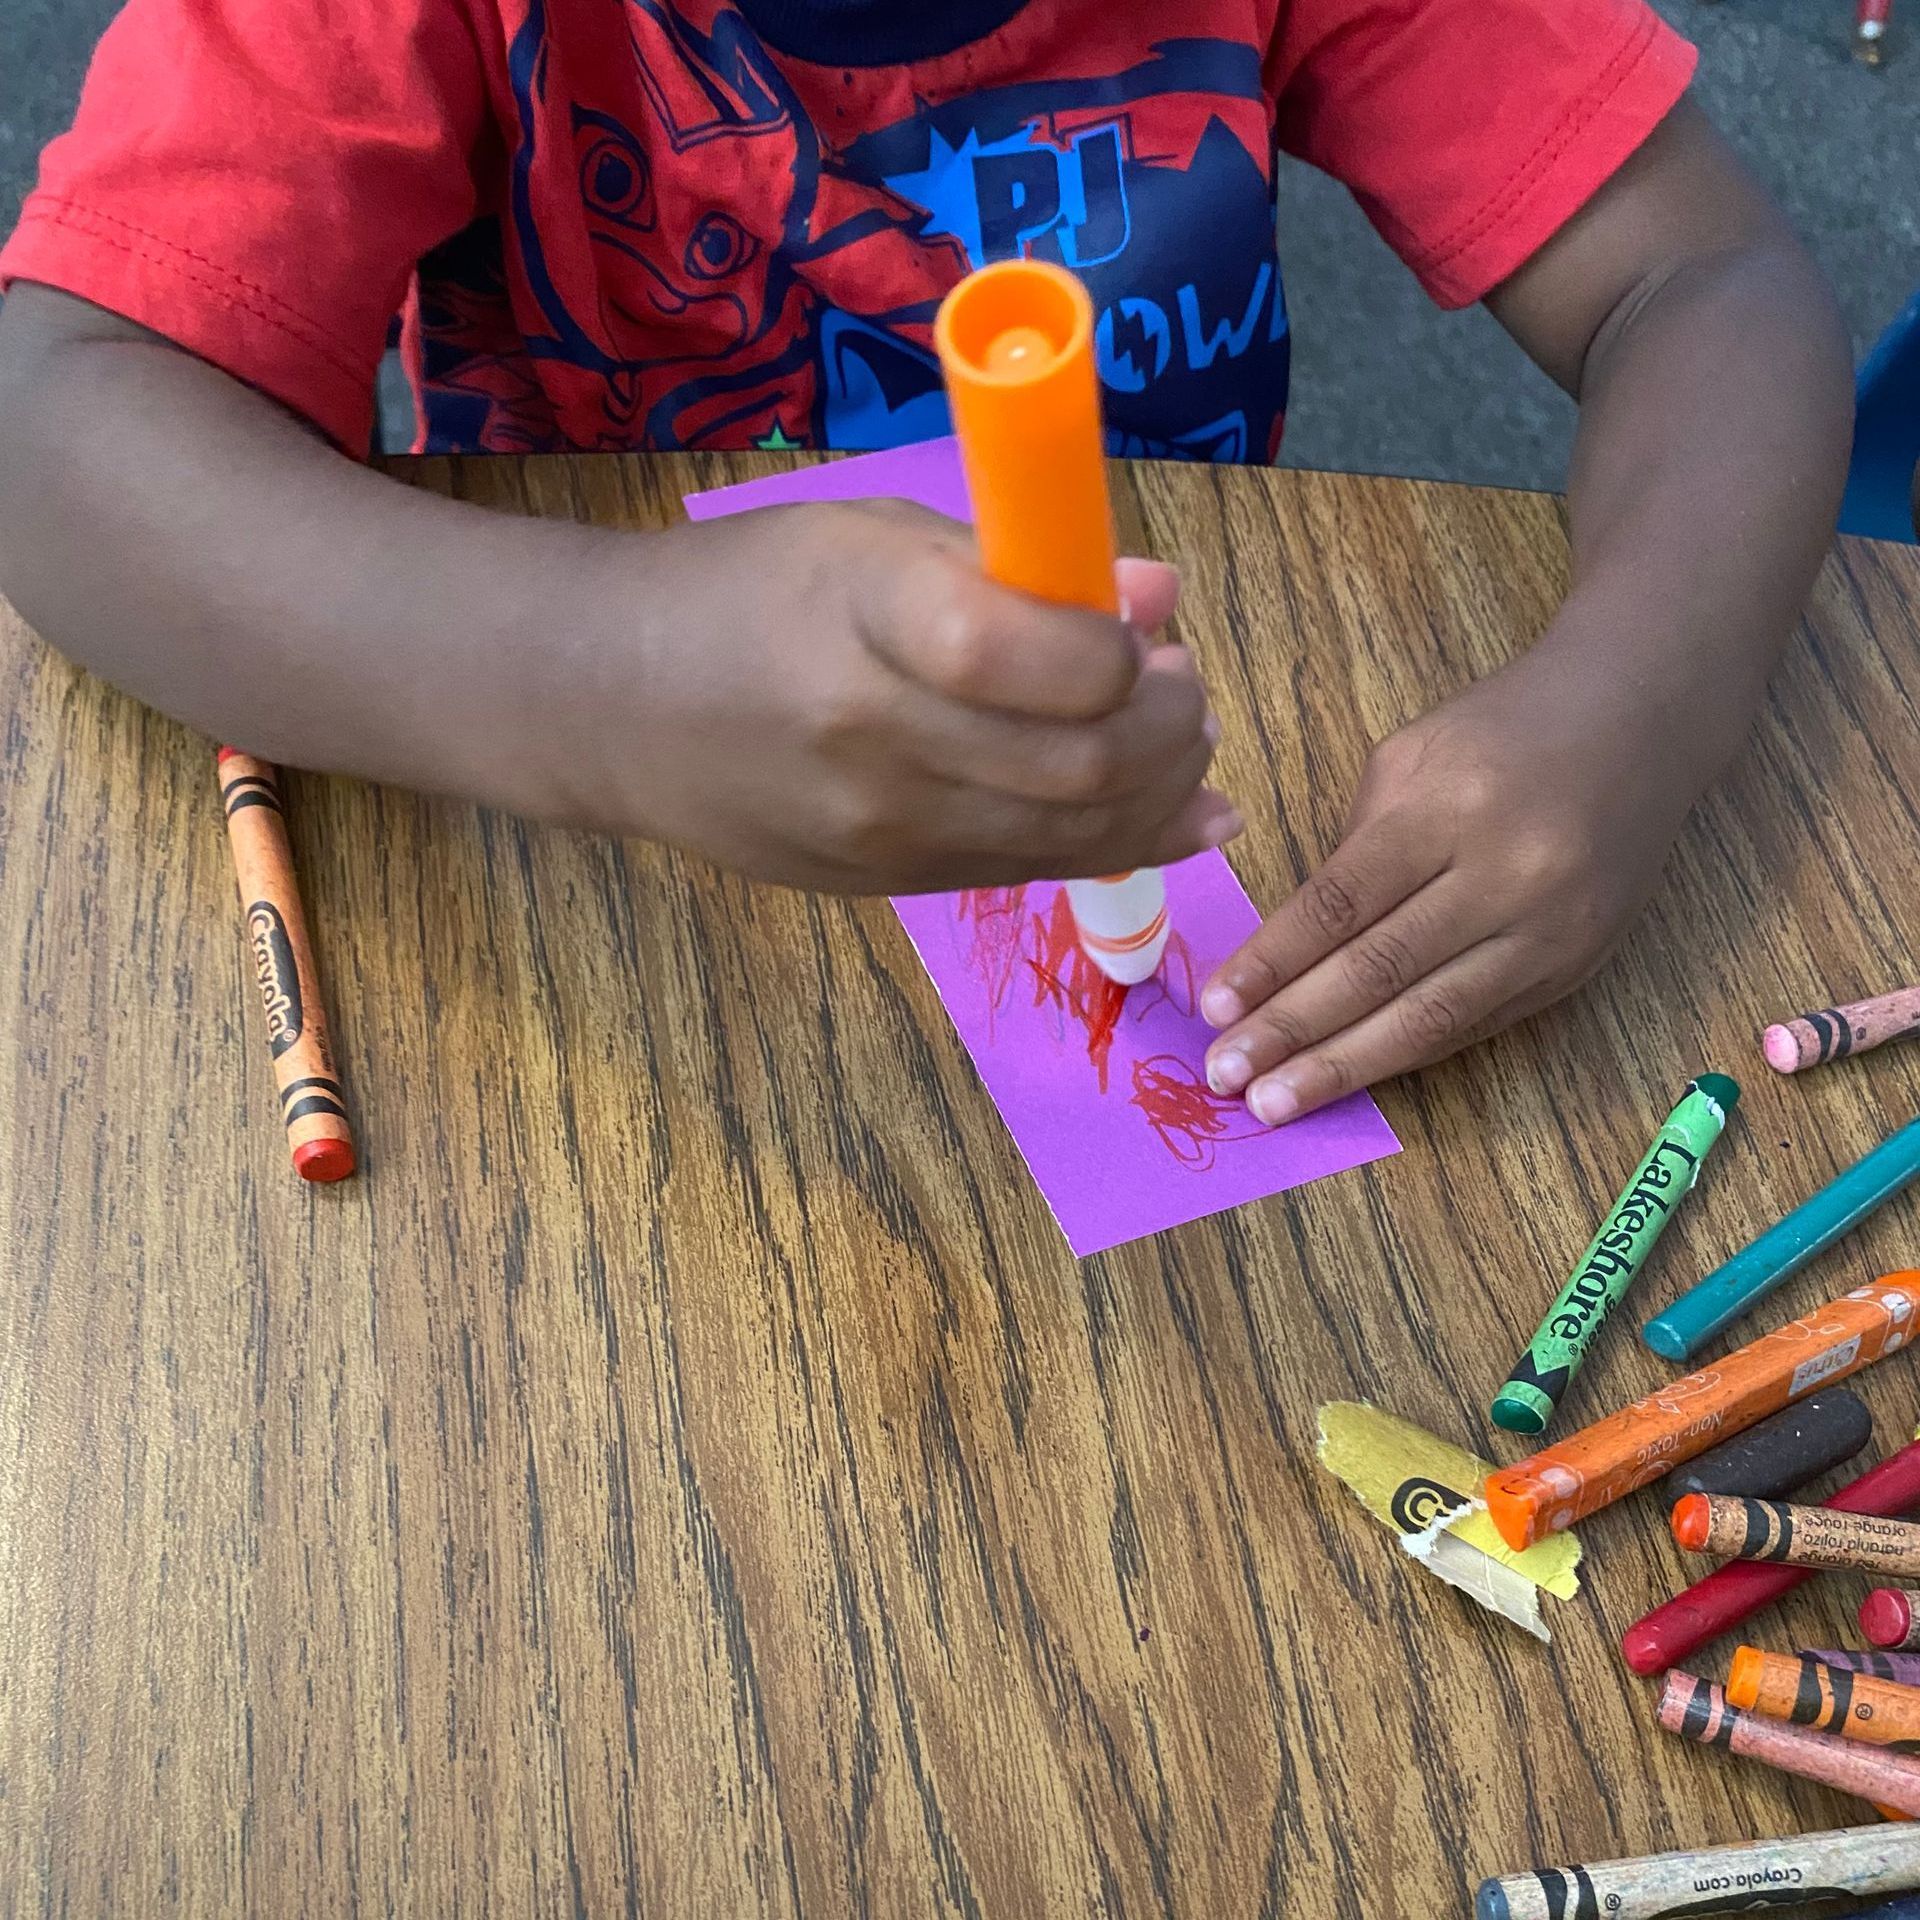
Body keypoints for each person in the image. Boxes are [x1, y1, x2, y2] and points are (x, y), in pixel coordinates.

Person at [0, 0, 1852, 1125]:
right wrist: (601, 680)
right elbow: (62, 416)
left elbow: (1708, 281)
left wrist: (1632, 707)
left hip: (1191, 774)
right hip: (606, 948)